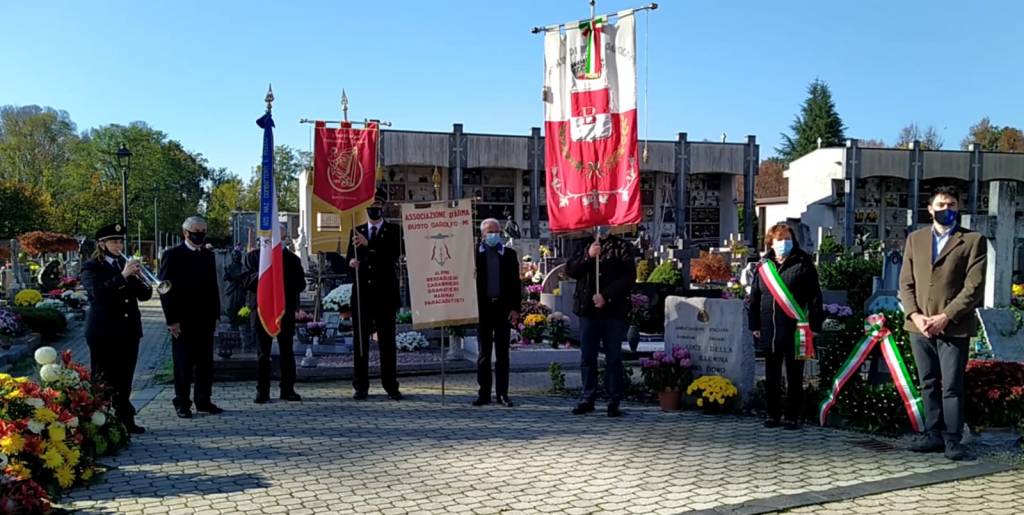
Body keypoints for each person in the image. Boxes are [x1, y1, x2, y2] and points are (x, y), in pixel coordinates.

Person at [899, 186, 986, 461]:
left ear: (958, 208)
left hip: (954, 326)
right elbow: (906, 282)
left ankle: (952, 439)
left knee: (951, 385)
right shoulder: (916, 239)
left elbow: (974, 286)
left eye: (951, 204)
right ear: (930, 208)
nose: (945, 209)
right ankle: (932, 434)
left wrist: (946, 316)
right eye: (940, 204)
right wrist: (915, 315)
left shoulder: (972, 240)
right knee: (927, 382)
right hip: (919, 325)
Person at [747, 223, 824, 429]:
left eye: (787, 239)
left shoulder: (803, 263)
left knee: (794, 375)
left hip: (796, 327)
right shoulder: (763, 266)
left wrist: (815, 325)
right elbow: (753, 297)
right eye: (780, 239)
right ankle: (772, 414)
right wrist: (753, 323)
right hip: (769, 327)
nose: (784, 243)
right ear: (771, 242)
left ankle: (792, 415)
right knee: (771, 374)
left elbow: (815, 297)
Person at [80, 223, 151, 434]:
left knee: (125, 377)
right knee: (103, 379)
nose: (118, 245)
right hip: (104, 331)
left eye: (120, 241)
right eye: (114, 241)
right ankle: (101, 423)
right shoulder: (91, 266)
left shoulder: (124, 263)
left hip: (128, 330)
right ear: (102, 244)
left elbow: (144, 296)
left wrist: (140, 277)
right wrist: (122, 276)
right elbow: (96, 294)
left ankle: (125, 419)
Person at [565, 226, 636, 417]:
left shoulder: (622, 246)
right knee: (588, 357)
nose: (602, 228)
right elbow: (571, 270)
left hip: (613, 311)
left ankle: (614, 400)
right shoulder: (582, 245)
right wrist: (588, 256)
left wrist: (606, 296)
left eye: (606, 225)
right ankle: (587, 398)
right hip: (588, 311)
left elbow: (629, 277)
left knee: (613, 358)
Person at [158, 216, 224, 418]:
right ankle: (182, 403)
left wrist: (215, 314)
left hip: (205, 319)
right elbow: (165, 289)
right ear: (186, 233)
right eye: (196, 231)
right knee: (183, 364)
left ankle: (203, 400)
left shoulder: (207, 255)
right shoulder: (173, 255)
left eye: (203, 230)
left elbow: (213, 286)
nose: (200, 234)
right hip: (182, 320)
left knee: (205, 364)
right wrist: (172, 319)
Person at [347, 188, 404, 401]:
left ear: (383, 207)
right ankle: (361, 386)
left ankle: (390, 385)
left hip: (385, 295)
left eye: (378, 206)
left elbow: (393, 254)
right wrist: (351, 263)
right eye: (371, 206)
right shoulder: (356, 230)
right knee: (360, 343)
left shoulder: (393, 231)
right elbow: (347, 260)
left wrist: (369, 244)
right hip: (362, 295)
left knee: (387, 343)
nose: (374, 210)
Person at [243, 229, 306, 403]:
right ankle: (262, 391)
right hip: (262, 311)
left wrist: (281, 278)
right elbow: (246, 281)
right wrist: (265, 275)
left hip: (284, 311)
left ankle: (287, 389)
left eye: (281, 238)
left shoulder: (292, 260)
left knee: (287, 351)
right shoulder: (254, 257)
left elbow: (300, 284)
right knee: (263, 353)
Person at [472, 218, 522, 407]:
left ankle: (503, 394)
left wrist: (515, 309)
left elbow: (516, 284)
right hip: (482, 310)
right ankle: (484, 393)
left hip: (503, 310)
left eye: (496, 231)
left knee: (503, 354)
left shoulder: (509, 254)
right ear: (482, 234)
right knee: (484, 354)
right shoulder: (475, 254)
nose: (493, 235)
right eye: (489, 232)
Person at [223, 247, 247, 322]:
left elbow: (245, 277)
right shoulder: (230, 266)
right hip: (232, 289)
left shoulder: (242, 267)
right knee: (230, 306)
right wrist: (227, 273)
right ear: (232, 256)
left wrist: (238, 277)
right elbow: (225, 278)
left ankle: (241, 321)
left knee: (241, 306)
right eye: (234, 255)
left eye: (238, 255)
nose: (236, 257)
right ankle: (232, 321)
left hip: (240, 289)